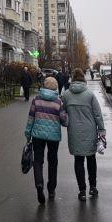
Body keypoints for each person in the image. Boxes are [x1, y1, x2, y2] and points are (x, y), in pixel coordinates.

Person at [24, 76, 68, 204]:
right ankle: (51, 189)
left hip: (37, 136)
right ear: (55, 87)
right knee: (53, 161)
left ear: (44, 85)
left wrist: (28, 134)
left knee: (38, 161)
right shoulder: (58, 102)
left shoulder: (36, 100)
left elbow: (31, 118)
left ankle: (39, 184)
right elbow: (64, 121)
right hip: (53, 137)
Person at [63, 69, 105, 200]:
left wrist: (67, 122)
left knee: (78, 160)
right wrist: (101, 130)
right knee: (91, 159)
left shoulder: (66, 95)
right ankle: (93, 187)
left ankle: (82, 191)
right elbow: (97, 114)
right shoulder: (90, 95)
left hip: (74, 131)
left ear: (72, 79)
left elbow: (62, 113)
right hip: (90, 131)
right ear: (83, 79)